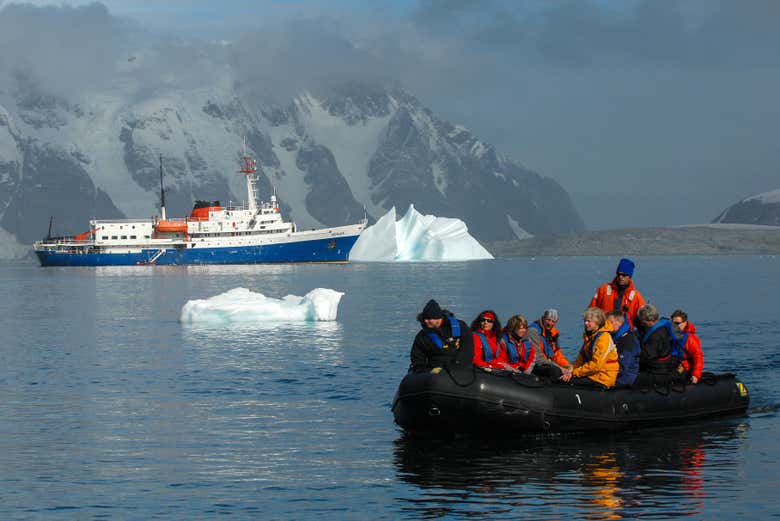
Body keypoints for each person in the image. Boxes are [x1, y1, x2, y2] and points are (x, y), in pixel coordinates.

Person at [410, 299, 474, 373]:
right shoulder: (422, 336)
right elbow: (417, 358)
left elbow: (468, 349)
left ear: (438, 318)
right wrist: (427, 370)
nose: (425, 321)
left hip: (460, 368)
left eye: (429, 318)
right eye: (424, 319)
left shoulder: (460, 327)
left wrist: (456, 366)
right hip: (436, 371)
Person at [562, 307, 619, 388]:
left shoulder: (604, 338)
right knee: (563, 378)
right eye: (585, 321)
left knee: (570, 382)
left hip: (603, 377)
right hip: (593, 374)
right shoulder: (589, 337)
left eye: (589, 321)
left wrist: (575, 373)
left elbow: (596, 366)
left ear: (597, 322)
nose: (585, 323)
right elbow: (580, 359)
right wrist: (571, 369)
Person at [589, 258, 646, 327]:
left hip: (624, 334)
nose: (620, 277)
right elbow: (591, 311)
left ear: (629, 277)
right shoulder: (603, 290)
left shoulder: (636, 297)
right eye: (618, 274)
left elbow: (643, 319)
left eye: (624, 275)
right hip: (604, 331)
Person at [634, 303, 678, 385]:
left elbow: (647, 356)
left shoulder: (656, 336)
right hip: (665, 366)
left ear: (648, 321)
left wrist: (632, 356)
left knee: (632, 378)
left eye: (642, 321)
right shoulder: (663, 327)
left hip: (657, 371)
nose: (641, 323)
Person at [527, 309, 572, 380]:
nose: (550, 323)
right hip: (534, 364)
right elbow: (537, 358)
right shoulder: (533, 331)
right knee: (556, 371)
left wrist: (567, 366)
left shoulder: (553, 333)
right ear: (543, 318)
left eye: (553, 321)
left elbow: (557, 354)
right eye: (548, 320)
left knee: (570, 369)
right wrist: (559, 367)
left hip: (547, 363)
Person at [606, 310, 640, 386]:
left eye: (610, 322)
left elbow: (623, 366)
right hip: (614, 373)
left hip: (625, 378)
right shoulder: (614, 337)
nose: (607, 325)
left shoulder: (627, 339)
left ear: (619, 322)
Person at [671, 309, 704, 384]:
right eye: (672, 323)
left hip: (684, 369)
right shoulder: (669, 336)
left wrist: (696, 375)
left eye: (677, 323)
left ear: (685, 323)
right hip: (672, 366)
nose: (674, 326)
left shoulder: (690, 339)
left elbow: (698, 357)